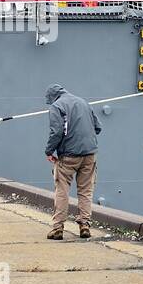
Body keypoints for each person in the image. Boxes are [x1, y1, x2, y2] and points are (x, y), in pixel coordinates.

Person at [43, 83, 101, 240]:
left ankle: (58, 228)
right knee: (86, 190)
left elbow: (56, 131)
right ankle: (84, 225)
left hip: (68, 155)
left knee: (62, 189)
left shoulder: (56, 106)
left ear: (52, 97)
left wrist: (49, 151)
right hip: (90, 154)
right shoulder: (84, 102)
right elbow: (98, 127)